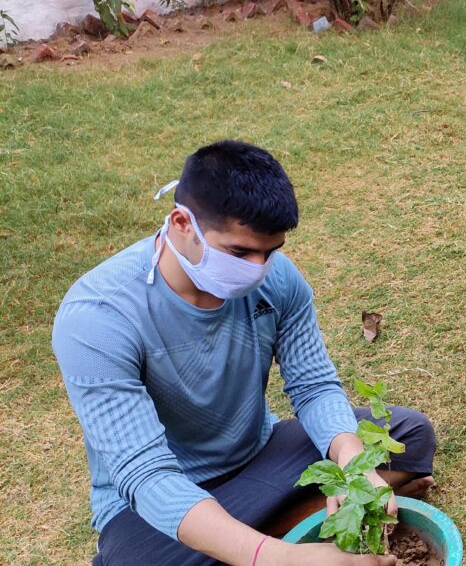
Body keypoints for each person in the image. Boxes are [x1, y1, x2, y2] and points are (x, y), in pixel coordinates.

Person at [52, 141, 436, 566]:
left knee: (409, 434)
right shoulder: (97, 317)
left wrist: (350, 462)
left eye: (270, 253)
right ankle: (277, 538)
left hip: (259, 456)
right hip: (160, 496)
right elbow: (146, 475)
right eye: (239, 252)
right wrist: (283, 560)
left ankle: (253, 539)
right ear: (182, 223)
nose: (257, 268)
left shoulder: (278, 281)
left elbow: (313, 385)